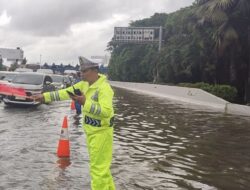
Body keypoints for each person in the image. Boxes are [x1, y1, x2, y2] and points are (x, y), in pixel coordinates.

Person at [33, 57, 116, 190]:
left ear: (95, 71)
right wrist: (45, 96)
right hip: (91, 132)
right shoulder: (83, 84)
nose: (81, 73)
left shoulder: (104, 88)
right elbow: (65, 93)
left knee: (98, 171)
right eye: (80, 71)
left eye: (85, 71)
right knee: (102, 170)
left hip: (101, 134)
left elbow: (106, 112)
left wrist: (85, 103)